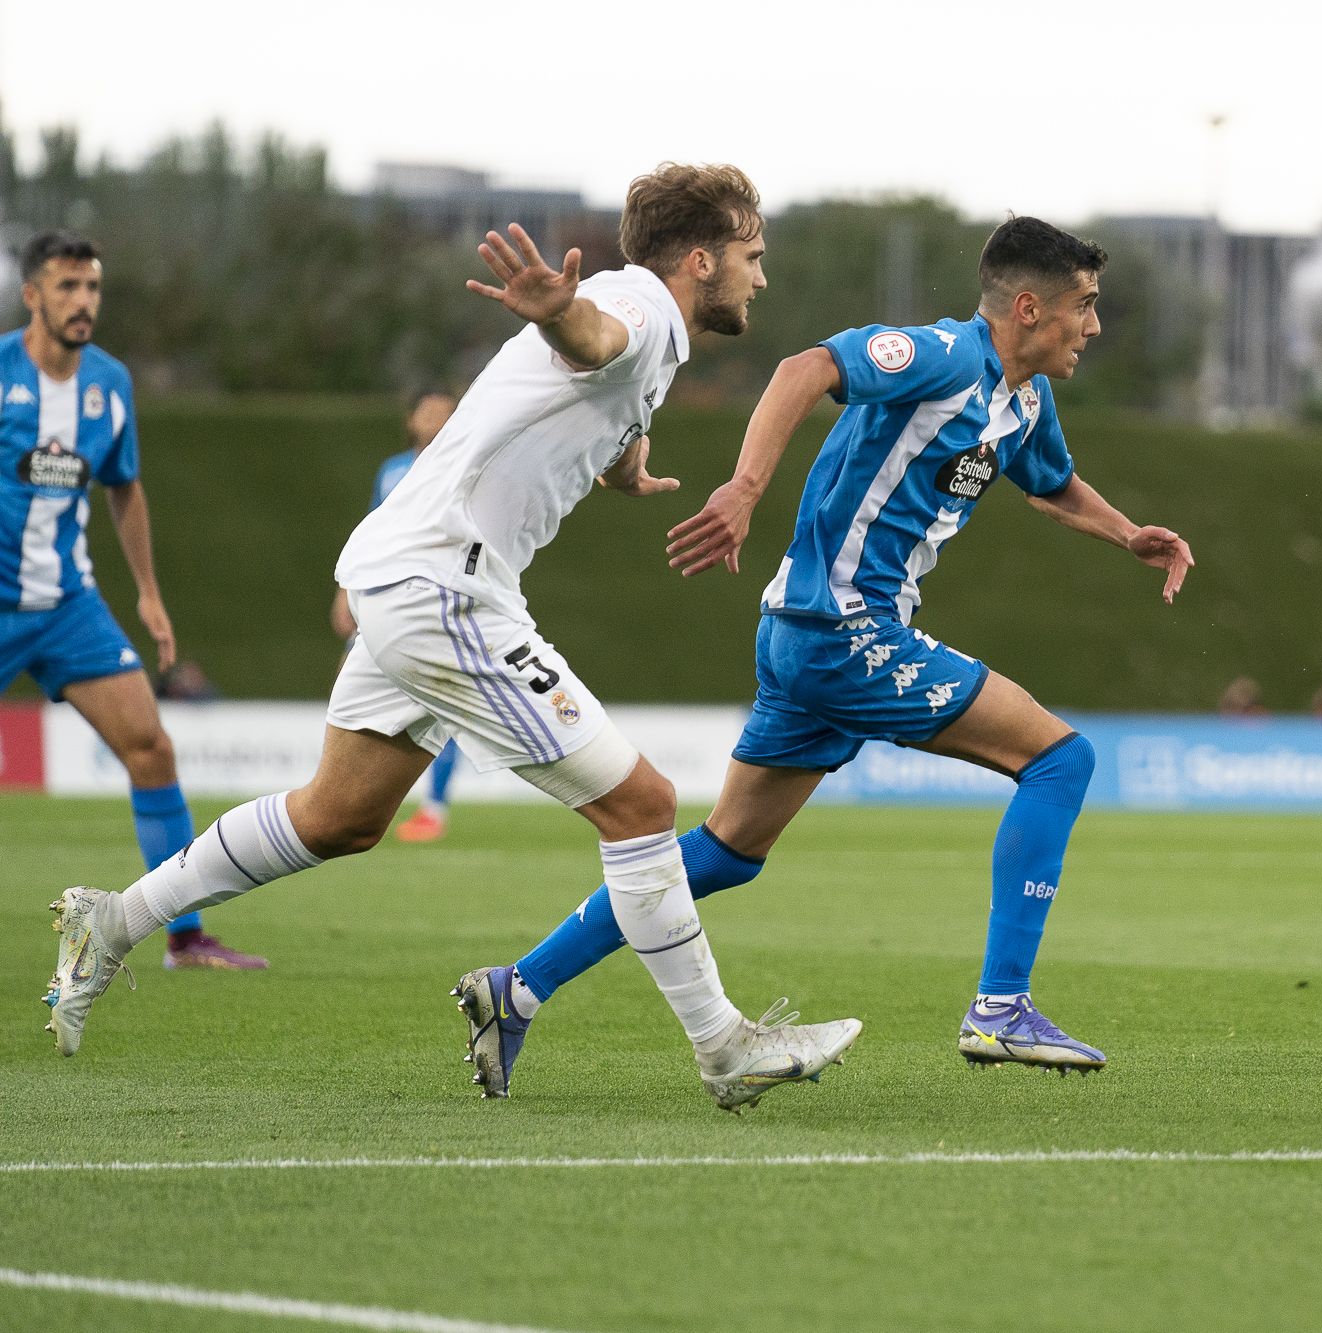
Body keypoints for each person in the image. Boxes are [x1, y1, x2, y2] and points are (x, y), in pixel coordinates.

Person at [42, 164, 861, 1113]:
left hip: (409, 575)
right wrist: (559, 310)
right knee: (643, 805)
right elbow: (594, 338)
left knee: (339, 815)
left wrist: (623, 463)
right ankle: (724, 1046)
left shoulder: (655, 337)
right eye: (753, 257)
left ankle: (113, 920)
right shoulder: (630, 302)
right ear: (699, 259)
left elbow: (592, 383)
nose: (763, 277)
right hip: (446, 589)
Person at [464, 215, 1193, 1096]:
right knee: (1059, 759)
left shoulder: (1022, 400)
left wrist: (1128, 535)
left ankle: (518, 988)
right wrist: (741, 488)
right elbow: (803, 368)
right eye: (1085, 305)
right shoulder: (944, 357)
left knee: (728, 851)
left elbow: (1050, 482)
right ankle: (1000, 1006)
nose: (1094, 325)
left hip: (808, 637)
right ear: (1030, 307)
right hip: (847, 629)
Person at [4, 230, 264, 974]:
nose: (84, 302)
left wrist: (149, 592)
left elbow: (123, 486)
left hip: (67, 606)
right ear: (32, 295)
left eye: (92, 288)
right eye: (66, 287)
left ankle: (185, 938)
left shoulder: (109, 383)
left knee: (151, 749)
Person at [331, 388, 463, 843]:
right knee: (348, 684)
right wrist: (344, 588)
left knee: (442, 704)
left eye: (447, 413)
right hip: (378, 593)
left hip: (431, 600)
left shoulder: (460, 465)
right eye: (429, 412)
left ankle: (434, 806)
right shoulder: (392, 470)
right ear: (411, 420)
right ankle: (343, 791)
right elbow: (371, 530)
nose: (437, 420)